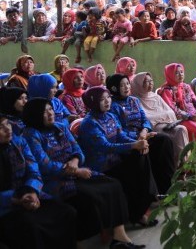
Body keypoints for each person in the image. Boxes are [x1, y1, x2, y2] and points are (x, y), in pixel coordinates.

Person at [20, 98, 144, 248]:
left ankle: (119, 235)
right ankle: (86, 241)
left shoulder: (61, 127)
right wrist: (76, 171)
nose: (50, 113)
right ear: (34, 115)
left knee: (113, 184)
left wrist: (76, 161)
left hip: (76, 170)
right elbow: (45, 165)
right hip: (55, 180)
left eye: (50, 109)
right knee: (89, 196)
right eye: (44, 111)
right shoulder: (31, 134)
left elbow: (78, 150)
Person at [76, 86, 158, 228]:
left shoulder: (110, 116)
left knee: (142, 156)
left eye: (108, 97)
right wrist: (134, 145)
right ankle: (141, 209)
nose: (107, 101)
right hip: (102, 167)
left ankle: (143, 205)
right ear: (92, 102)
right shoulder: (89, 123)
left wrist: (138, 143)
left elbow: (121, 136)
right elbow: (106, 146)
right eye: (102, 99)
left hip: (116, 161)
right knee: (135, 165)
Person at [0, 115, 78, 249]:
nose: (8, 129)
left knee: (67, 212)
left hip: (30, 193)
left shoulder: (19, 143)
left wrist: (32, 191)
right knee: (31, 227)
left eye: (7, 124)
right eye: (1, 127)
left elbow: (34, 171)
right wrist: (17, 197)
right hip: (6, 204)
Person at [106, 74, 175, 196]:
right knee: (142, 151)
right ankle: (151, 195)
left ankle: (168, 188)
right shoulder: (112, 106)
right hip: (128, 141)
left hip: (142, 135)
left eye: (127, 83)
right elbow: (118, 131)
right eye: (122, 85)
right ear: (114, 88)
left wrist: (144, 132)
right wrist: (137, 139)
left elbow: (145, 120)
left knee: (164, 140)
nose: (126, 87)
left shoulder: (134, 100)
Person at [130, 73, 189, 164]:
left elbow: (170, 112)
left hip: (167, 124)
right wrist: (163, 116)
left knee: (181, 129)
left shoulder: (155, 96)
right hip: (153, 127)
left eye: (151, 81)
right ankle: (178, 165)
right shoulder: (134, 99)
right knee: (177, 132)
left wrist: (159, 116)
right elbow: (147, 119)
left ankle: (185, 163)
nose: (150, 83)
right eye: (146, 81)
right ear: (139, 84)